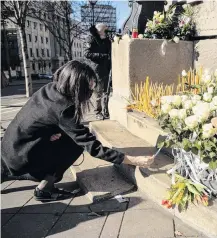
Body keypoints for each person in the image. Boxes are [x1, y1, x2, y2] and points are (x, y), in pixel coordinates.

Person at [1, 60, 154, 201]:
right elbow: (91, 146)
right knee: (75, 145)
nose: (91, 92)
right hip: (23, 156)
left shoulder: (50, 89)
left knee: (70, 138)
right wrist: (131, 159)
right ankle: (45, 189)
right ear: (76, 85)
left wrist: (50, 134)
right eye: (89, 88)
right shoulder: (64, 108)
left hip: (12, 146)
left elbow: (36, 121)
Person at [85, 23, 111, 120]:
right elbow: (87, 53)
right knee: (98, 92)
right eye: (105, 29)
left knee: (106, 92)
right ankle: (98, 112)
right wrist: (102, 56)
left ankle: (106, 111)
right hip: (97, 69)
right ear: (100, 30)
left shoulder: (107, 39)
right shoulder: (91, 39)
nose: (107, 30)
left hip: (107, 68)